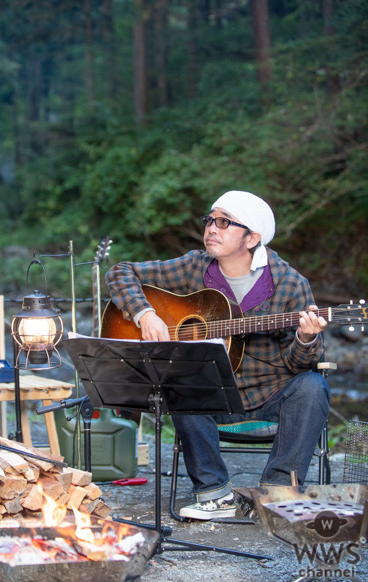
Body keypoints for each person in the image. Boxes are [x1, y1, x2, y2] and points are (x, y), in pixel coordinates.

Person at [104, 190, 330, 520]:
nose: (212, 227)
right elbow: (119, 272)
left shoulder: (289, 284)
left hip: (269, 396)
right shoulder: (194, 266)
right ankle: (214, 496)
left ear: (252, 238)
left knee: (313, 386)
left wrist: (305, 337)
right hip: (210, 398)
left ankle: (277, 496)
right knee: (177, 378)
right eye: (210, 219)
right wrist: (145, 315)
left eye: (224, 222)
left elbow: (298, 364)